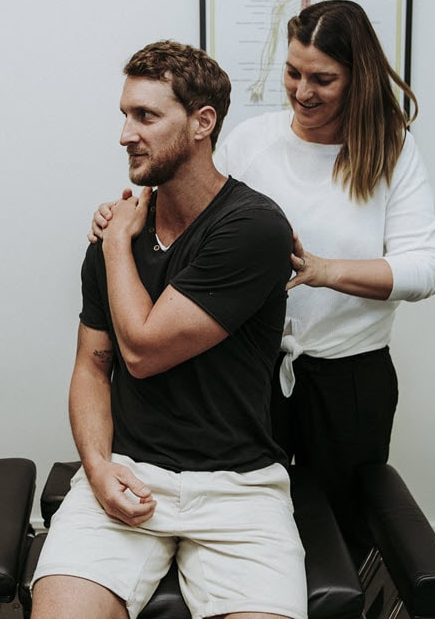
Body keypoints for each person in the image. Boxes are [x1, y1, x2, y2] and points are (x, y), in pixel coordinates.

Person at [90, 1, 435, 553]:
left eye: (323, 79)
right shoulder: (254, 140)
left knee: (340, 536)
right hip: (252, 375)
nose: (303, 90)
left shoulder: (391, 153)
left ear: (358, 78)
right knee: (265, 533)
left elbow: (425, 269)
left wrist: (326, 271)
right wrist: (120, 224)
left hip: (349, 377)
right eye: (293, 72)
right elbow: (191, 198)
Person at [31, 40, 308, 619]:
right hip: (130, 472)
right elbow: (92, 366)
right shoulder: (121, 235)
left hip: (239, 491)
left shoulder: (252, 228)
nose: (126, 134)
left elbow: (141, 350)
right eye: (125, 115)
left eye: (147, 116)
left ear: (203, 122)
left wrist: (113, 247)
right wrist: (100, 468)